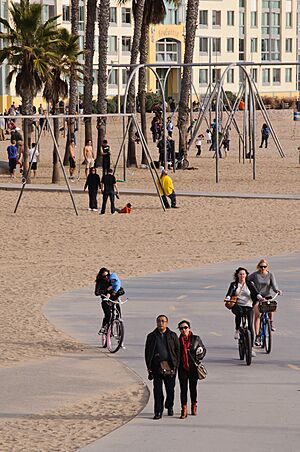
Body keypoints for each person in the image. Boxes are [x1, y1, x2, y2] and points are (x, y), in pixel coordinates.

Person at [145, 315, 180, 420]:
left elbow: (178, 351)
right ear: (156, 322)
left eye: (163, 321)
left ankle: (169, 406)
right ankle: (158, 411)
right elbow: (147, 352)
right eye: (159, 321)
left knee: (170, 389)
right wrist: (149, 366)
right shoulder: (151, 336)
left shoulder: (172, 335)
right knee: (158, 390)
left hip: (170, 367)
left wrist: (175, 366)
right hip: (156, 367)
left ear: (167, 323)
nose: (161, 323)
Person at [224, 267, 263, 357]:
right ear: (237, 275)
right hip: (237, 305)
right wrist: (228, 298)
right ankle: (237, 329)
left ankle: (251, 348)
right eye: (240, 274)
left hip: (248, 305)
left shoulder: (249, 284)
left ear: (246, 275)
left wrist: (260, 297)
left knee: (250, 326)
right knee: (239, 312)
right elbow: (229, 293)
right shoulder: (234, 284)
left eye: (244, 274)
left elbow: (256, 292)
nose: (242, 276)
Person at [177, 320, 206, 419]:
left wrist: (199, 355)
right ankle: (184, 409)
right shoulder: (177, 341)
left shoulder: (196, 339)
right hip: (182, 368)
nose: (183, 330)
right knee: (183, 389)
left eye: (185, 327)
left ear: (189, 328)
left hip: (193, 368)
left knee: (193, 388)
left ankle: (194, 405)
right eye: (181, 328)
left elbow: (203, 350)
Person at [248, 259, 282, 343]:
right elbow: (247, 280)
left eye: (264, 266)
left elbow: (274, 286)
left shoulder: (270, 275)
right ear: (258, 267)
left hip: (267, 296)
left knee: (271, 306)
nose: (263, 268)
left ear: (267, 267)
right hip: (257, 297)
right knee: (257, 316)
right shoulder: (255, 275)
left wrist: (277, 290)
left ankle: (270, 322)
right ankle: (257, 336)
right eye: (261, 266)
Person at [95, 267, 123, 334]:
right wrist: (106, 290)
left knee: (118, 316)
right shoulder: (100, 283)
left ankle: (120, 333)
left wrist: (118, 292)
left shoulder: (113, 280)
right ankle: (104, 327)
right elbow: (97, 292)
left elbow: (120, 288)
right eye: (104, 276)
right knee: (108, 315)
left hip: (114, 300)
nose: (106, 277)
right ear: (101, 276)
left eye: (108, 275)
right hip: (105, 301)